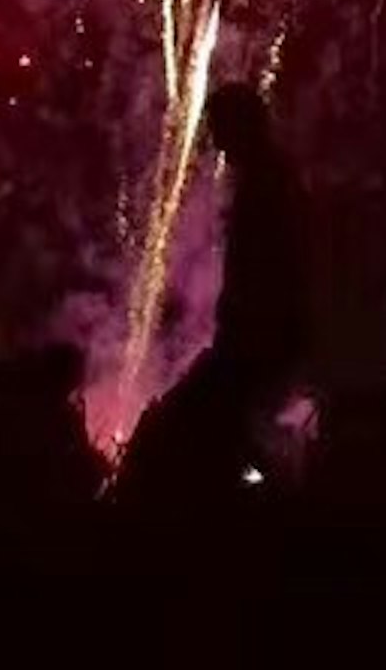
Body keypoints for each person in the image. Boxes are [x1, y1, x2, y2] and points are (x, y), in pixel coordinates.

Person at [118, 79, 311, 503]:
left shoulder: (269, 184)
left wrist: (251, 323)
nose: (215, 141)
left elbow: (276, 266)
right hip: (259, 336)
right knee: (223, 431)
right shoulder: (271, 179)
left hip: (258, 338)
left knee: (201, 429)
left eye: (219, 127)